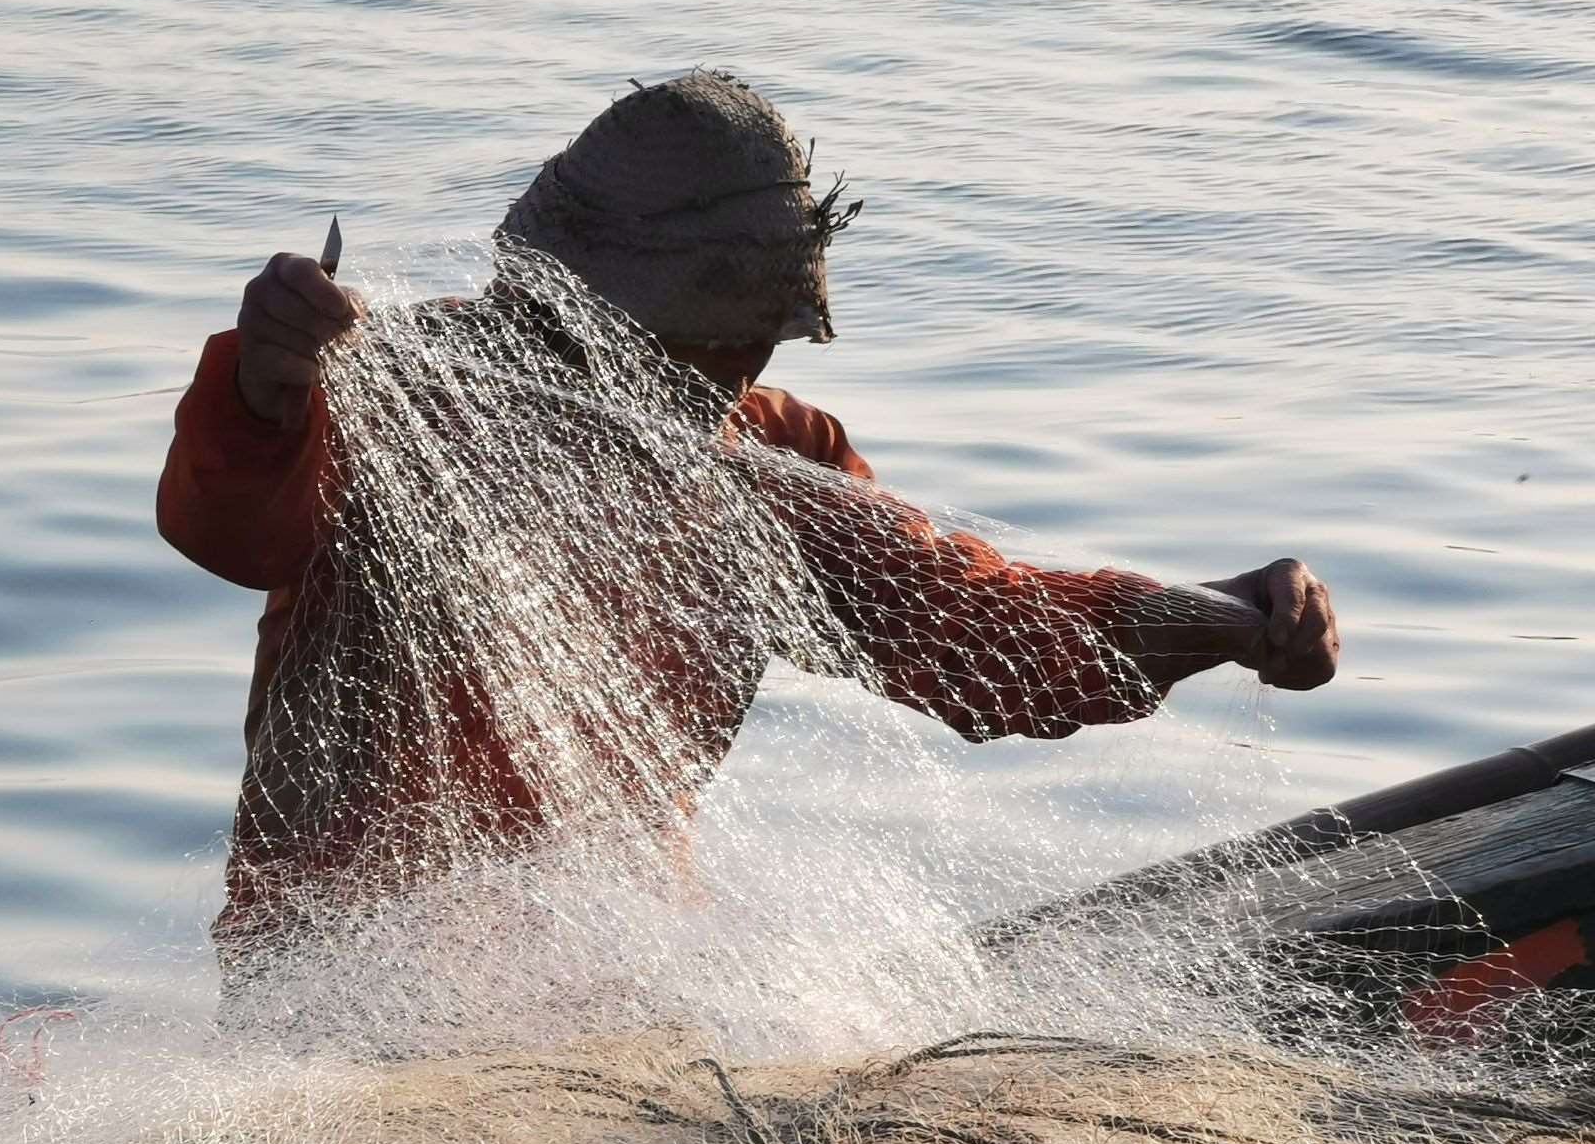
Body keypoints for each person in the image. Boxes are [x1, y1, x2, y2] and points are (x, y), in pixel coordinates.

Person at [159, 70, 1339, 969]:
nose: (734, 367)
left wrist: (1216, 619)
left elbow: (981, 650)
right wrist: (267, 384)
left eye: (757, 338)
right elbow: (233, 528)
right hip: (337, 964)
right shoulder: (390, 393)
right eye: (707, 338)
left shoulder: (778, 465)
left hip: (611, 961)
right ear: (571, 297)